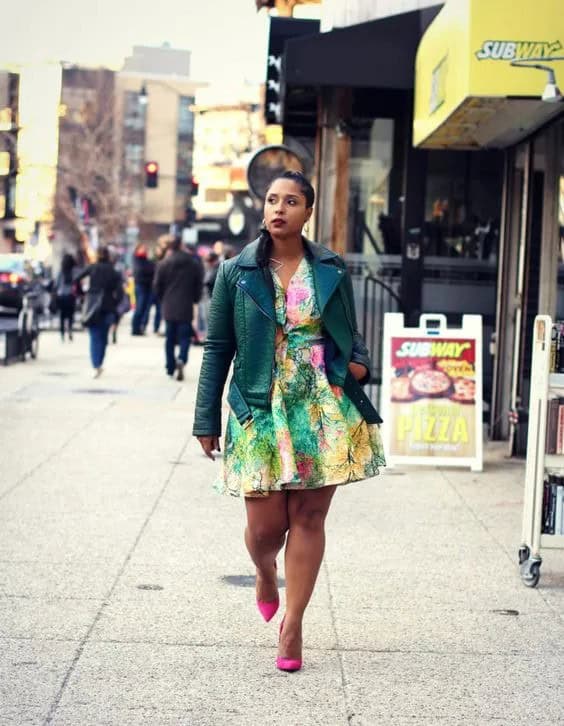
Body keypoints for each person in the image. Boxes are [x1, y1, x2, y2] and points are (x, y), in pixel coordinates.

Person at [193, 170, 386, 673]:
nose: (279, 208)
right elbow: (217, 346)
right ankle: (263, 572)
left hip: (321, 404)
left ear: (308, 211)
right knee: (265, 526)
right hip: (258, 404)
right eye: (272, 199)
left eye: (291, 200)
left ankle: (294, 624)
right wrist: (205, 416)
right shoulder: (236, 271)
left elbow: (351, 334)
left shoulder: (330, 267)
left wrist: (354, 367)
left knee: (308, 518)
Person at [153, 236, 203, 381]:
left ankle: (170, 367)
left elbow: (157, 285)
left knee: (169, 338)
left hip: (169, 305)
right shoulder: (193, 263)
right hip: (186, 305)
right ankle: (182, 358)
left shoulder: (164, 263)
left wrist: (162, 299)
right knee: (184, 337)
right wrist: (195, 298)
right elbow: (198, 283)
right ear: (181, 245)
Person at [75, 246, 122, 378]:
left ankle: (96, 364)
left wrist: (83, 293)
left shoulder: (92, 267)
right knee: (103, 337)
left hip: (92, 305)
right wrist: (115, 303)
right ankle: (99, 362)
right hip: (108, 306)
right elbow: (120, 292)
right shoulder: (113, 271)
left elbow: (76, 279)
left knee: (94, 336)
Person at [131, 243, 155, 336]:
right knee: (140, 308)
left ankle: (141, 327)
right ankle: (135, 328)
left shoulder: (147, 261)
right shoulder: (137, 260)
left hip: (147, 287)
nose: (144, 250)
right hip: (141, 286)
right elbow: (140, 273)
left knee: (145, 308)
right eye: (142, 249)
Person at [54, 253, 78, 341]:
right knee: (70, 315)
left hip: (61, 296)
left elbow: (56, 284)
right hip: (71, 296)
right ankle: (70, 331)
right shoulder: (73, 272)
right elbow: (77, 284)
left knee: (62, 316)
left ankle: (62, 334)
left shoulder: (61, 272)